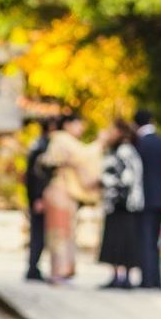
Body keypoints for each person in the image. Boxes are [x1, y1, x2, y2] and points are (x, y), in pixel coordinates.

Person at [41, 111, 102, 283]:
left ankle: (66, 268)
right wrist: (101, 143)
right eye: (78, 124)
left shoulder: (69, 142)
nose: (81, 128)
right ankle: (59, 270)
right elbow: (83, 156)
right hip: (59, 190)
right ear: (67, 125)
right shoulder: (61, 139)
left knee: (67, 231)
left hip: (66, 192)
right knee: (59, 232)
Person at [98, 120, 146, 288]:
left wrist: (106, 182)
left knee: (123, 240)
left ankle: (123, 276)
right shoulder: (121, 149)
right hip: (120, 203)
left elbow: (126, 178)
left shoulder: (124, 150)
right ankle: (118, 275)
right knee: (117, 239)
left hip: (123, 204)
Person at [134, 108, 161, 290]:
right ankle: (156, 279)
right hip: (160, 197)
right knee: (155, 240)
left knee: (145, 239)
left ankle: (147, 279)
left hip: (143, 198)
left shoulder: (138, 144)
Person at [24, 116, 58, 281]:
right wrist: (38, 197)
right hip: (39, 197)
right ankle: (32, 267)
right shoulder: (42, 147)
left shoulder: (38, 144)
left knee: (38, 234)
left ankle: (33, 266)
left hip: (37, 196)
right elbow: (36, 175)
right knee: (38, 235)